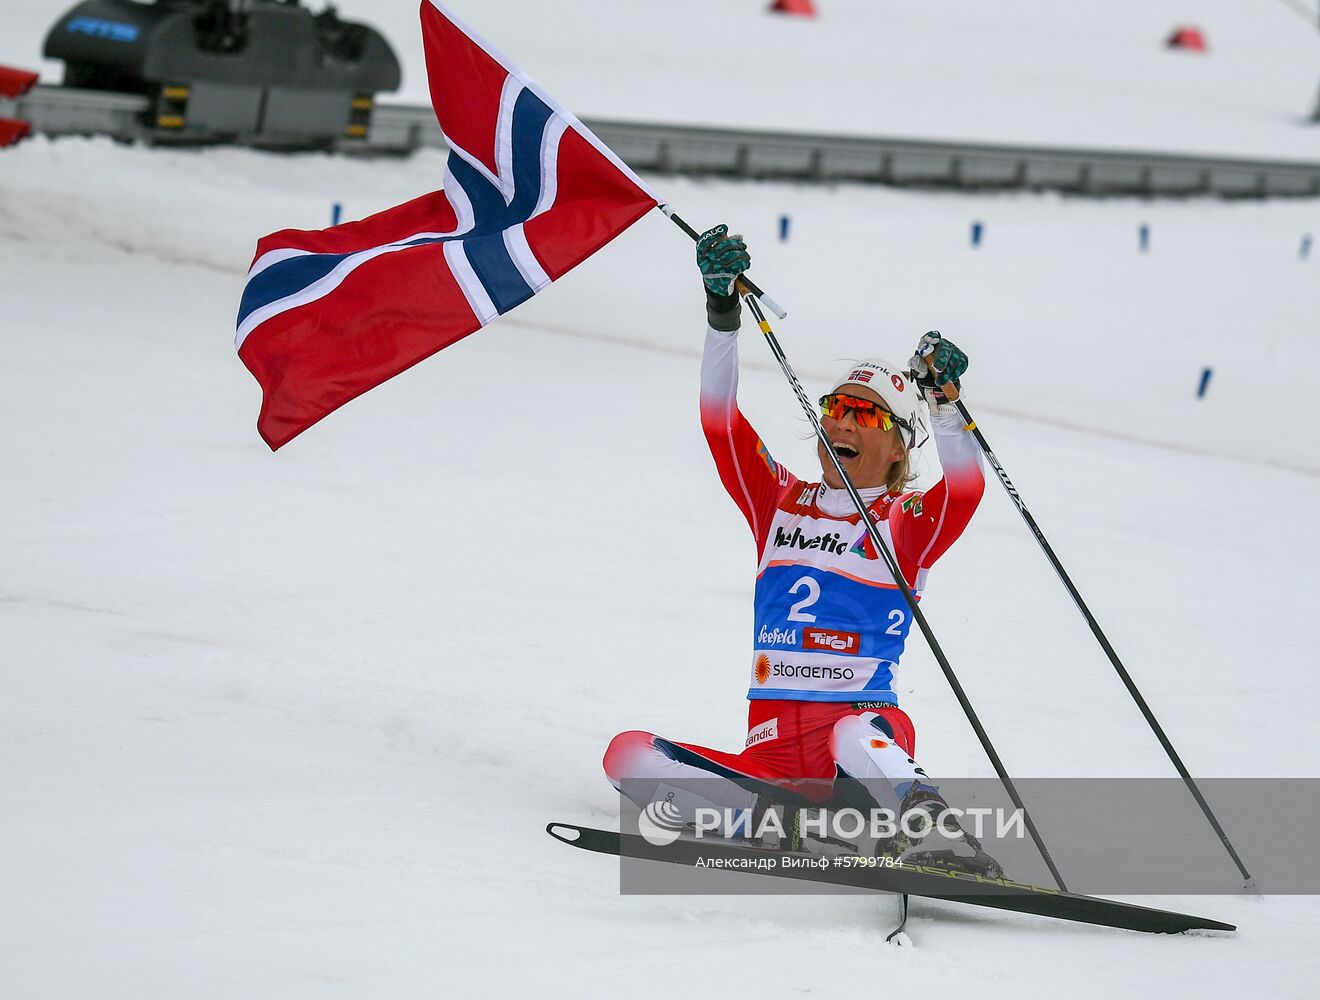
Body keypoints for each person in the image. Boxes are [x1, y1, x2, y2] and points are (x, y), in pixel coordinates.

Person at [603, 225, 998, 874]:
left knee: (854, 734)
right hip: (771, 761)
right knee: (627, 754)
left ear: (898, 447)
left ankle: (932, 830)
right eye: (835, 406)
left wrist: (944, 404)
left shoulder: (903, 521)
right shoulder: (779, 500)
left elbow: (966, 487)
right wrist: (722, 314)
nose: (841, 420)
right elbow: (719, 421)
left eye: (865, 415)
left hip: (858, 750)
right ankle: (775, 824)